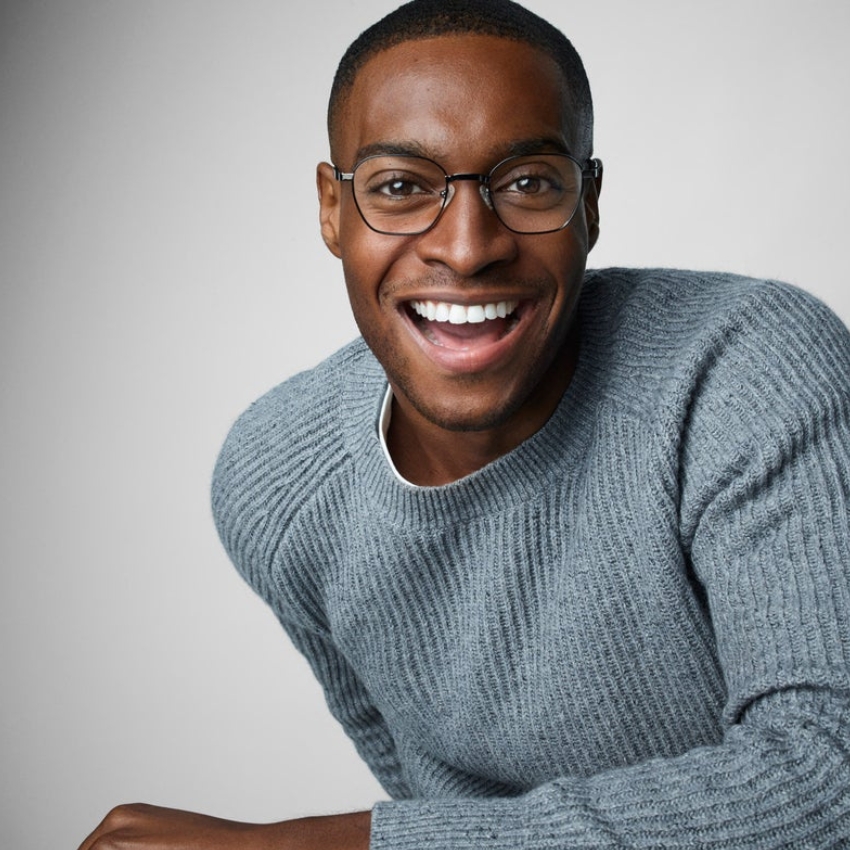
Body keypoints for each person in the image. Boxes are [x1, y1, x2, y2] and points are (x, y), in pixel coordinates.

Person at [78, 0, 850, 848]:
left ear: (589, 203)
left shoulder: (742, 370)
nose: (468, 246)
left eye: (528, 182)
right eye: (401, 187)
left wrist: (310, 845)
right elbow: (450, 814)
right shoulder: (277, 485)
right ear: (332, 208)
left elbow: (830, 781)